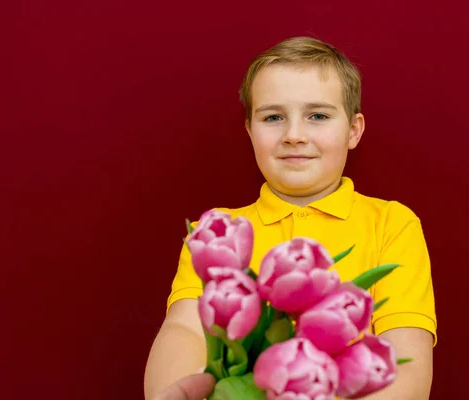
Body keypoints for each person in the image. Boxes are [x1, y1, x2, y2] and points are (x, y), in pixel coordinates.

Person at [144, 36, 437, 400]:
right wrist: (172, 393)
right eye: (273, 117)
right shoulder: (219, 232)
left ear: (353, 130)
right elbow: (185, 330)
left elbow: (406, 358)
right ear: (250, 131)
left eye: (317, 116)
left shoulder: (392, 224)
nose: (294, 135)